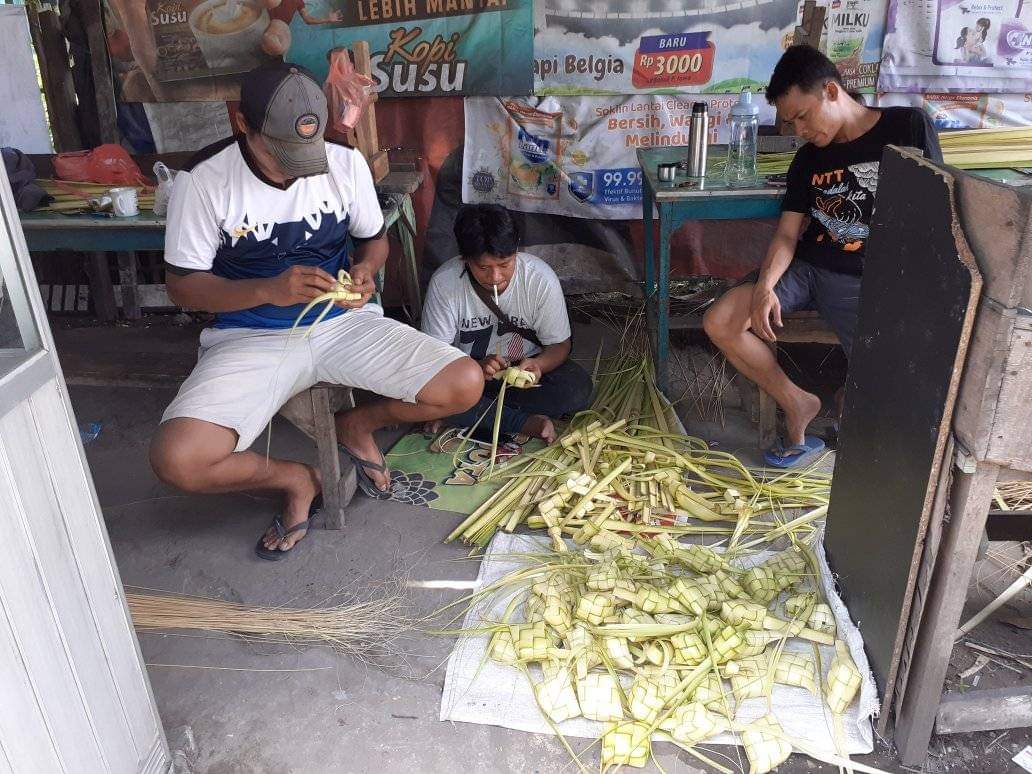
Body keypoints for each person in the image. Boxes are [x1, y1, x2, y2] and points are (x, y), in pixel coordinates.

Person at [150, 62, 482, 559]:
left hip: (342, 323)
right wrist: (265, 291)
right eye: (280, 152)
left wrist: (366, 272)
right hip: (250, 335)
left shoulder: (342, 162)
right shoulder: (203, 182)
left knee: (465, 383)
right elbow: (183, 287)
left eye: (305, 151)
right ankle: (296, 480)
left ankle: (358, 425)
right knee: (178, 460)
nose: (295, 166)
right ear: (243, 124)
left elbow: (374, 241)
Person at [703, 45, 942, 468]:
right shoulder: (809, 159)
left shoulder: (907, 126)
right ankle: (797, 403)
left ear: (831, 90)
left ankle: (851, 399)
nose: (798, 129)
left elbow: (938, 213)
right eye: (790, 121)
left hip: (870, 281)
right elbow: (787, 234)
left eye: (802, 116)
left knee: (887, 398)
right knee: (720, 321)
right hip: (810, 270)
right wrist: (765, 287)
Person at [421, 204, 593, 443]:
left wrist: (539, 365)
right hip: (467, 380)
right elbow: (434, 360)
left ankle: (465, 414)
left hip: (522, 380)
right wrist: (475, 369)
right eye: (483, 268)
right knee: (426, 390)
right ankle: (523, 422)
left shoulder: (539, 279)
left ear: (516, 250)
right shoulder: (445, 284)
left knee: (576, 390)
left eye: (505, 264)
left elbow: (559, 345)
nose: (495, 278)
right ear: (464, 258)